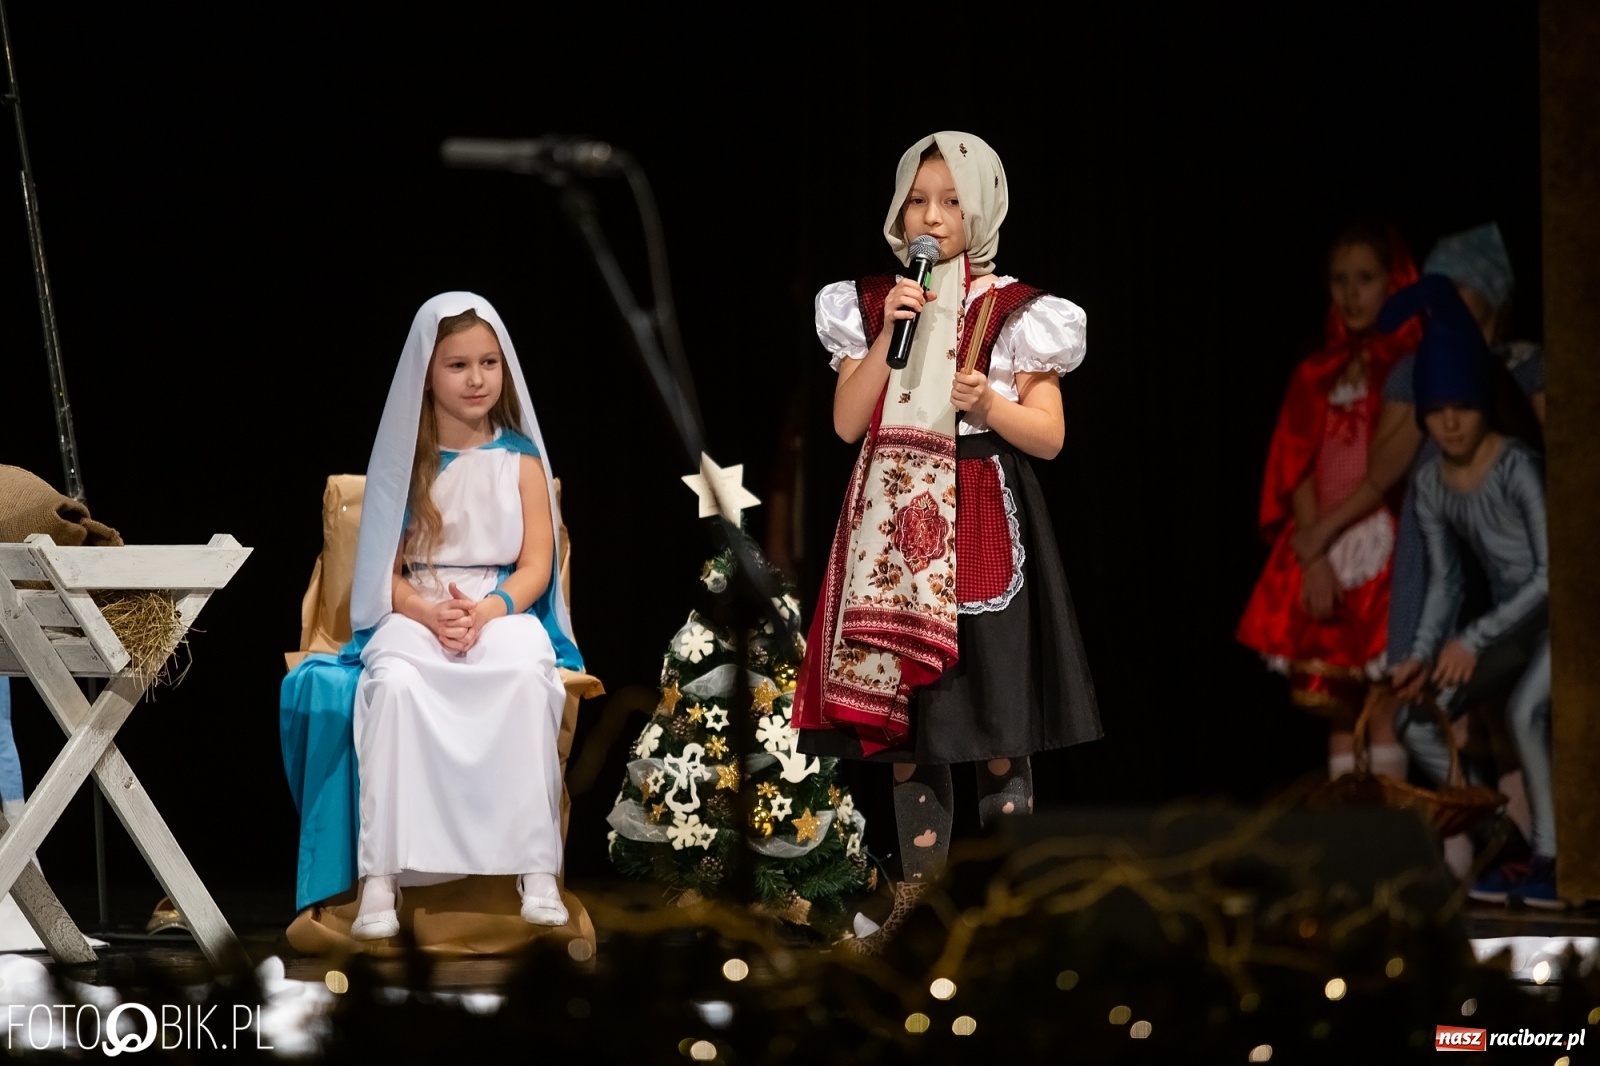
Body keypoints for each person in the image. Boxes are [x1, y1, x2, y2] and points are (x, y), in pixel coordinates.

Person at [793, 132, 1101, 949]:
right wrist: (889, 338)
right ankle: (919, 904)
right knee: (915, 731)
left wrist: (988, 404)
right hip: (895, 543)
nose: (933, 216)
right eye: (919, 201)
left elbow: (1049, 438)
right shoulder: (869, 304)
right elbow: (847, 421)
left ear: (983, 206)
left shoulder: (1018, 311)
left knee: (998, 724)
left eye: (951, 201)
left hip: (981, 527)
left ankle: (1008, 910)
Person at [343, 292, 581, 939]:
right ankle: (381, 881)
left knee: (529, 677)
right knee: (391, 686)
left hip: (499, 607)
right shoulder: (402, 465)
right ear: (427, 372)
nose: (477, 380)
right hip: (418, 607)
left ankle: (534, 870)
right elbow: (382, 574)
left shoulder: (521, 459)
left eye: (488, 363)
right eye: (457, 365)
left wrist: (487, 611)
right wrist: (430, 614)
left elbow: (537, 563)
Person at [1382, 276, 1557, 908]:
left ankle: (1552, 857)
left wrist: (1472, 638)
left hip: (1553, 620)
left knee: (1523, 714)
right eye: (1437, 409)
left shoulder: (1516, 466)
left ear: (1483, 405)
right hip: (1509, 629)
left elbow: (1551, 573)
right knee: (1416, 720)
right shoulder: (1432, 484)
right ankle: (1502, 834)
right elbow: (1446, 578)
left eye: (1462, 406)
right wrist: (1423, 654)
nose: (1450, 422)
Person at [1237, 222, 1421, 780]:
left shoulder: (1405, 367)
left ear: (1393, 283)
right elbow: (1297, 465)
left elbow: (1395, 467)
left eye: (1365, 279)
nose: (1352, 293)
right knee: (1341, 709)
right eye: (1340, 281)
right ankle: (1355, 845)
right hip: (1328, 551)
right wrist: (1313, 554)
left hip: (1387, 547)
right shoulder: (1317, 371)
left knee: (1383, 704)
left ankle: (1397, 841)